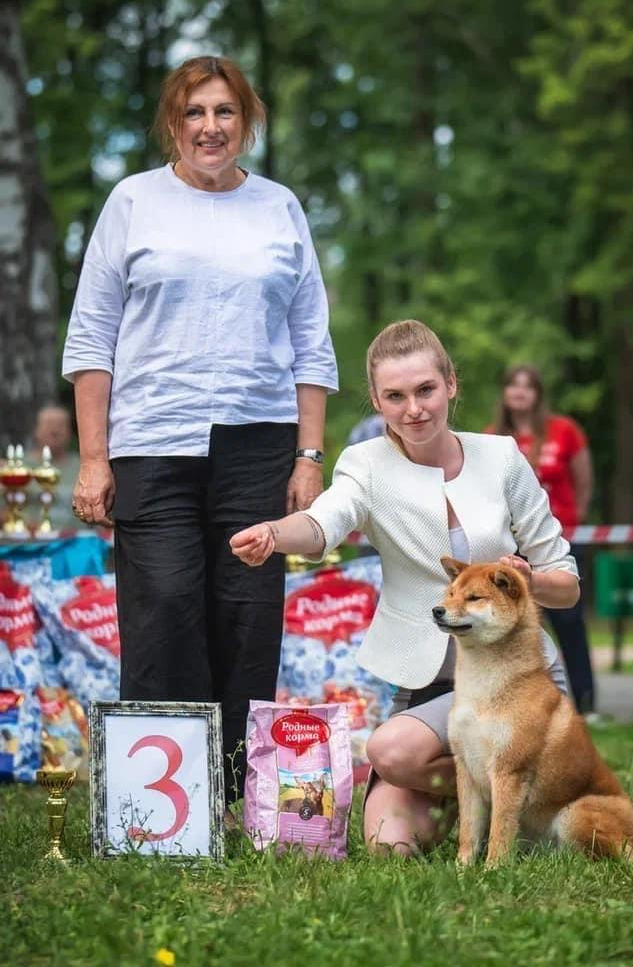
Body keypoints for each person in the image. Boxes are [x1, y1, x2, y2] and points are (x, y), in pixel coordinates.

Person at [62, 55, 338, 807]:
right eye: (194, 113)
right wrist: (94, 459)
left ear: (245, 121)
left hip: (259, 442)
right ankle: (158, 806)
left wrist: (308, 457)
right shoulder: (132, 201)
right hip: (151, 441)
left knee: (248, 618)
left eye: (224, 112)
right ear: (172, 124)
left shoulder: (280, 207)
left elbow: (312, 340)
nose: (209, 127)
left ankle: (236, 795)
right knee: (164, 612)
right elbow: (91, 337)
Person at [231, 320, 579, 855]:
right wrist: (276, 533)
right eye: (394, 396)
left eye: (425, 390)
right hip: (426, 688)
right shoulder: (364, 464)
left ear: (451, 385)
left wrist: (529, 583)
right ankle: (482, 800)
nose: (413, 409)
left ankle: (513, 787)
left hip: (515, 679)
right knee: (388, 846)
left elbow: (567, 585)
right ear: (376, 400)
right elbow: (324, 523)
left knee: (390, 750)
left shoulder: (503, 456)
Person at [488, 365, 597, 716]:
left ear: (538, 394)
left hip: (558, 540)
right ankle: (524, 704)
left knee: (569, 621)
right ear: (504, 393)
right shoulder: (491, 439)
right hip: (512, 545)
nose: (520, 392)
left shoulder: (563, 431)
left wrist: (573, 518)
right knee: (516, 624)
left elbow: (584, 479)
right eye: (513, 385)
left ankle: (584, 702)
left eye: (527, 386)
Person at [28, 405, 79, 532]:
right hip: (28, 544)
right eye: (48, 424)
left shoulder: (84, 467)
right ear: (36, 430)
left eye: (61, 425)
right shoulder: (18, 469)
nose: (54, 430)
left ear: (70, 432)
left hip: (76, 543)